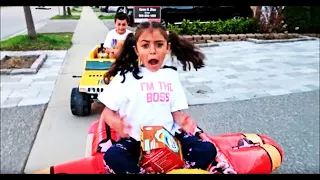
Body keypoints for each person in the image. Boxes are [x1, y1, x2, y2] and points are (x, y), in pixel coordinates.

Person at [98, 21, 217, 174]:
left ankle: (181, 169)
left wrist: (183, 121)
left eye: (159, 45)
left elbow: (176, 112)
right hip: (136, 141)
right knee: (113, 156)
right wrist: (117, 124)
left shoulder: (171, 75)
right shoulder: (125, 77)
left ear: (167, 48)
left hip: (169, 139)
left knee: (207, 148)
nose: (152, 51)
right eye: (145, 45)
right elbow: (107, 113)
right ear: (136, 50)